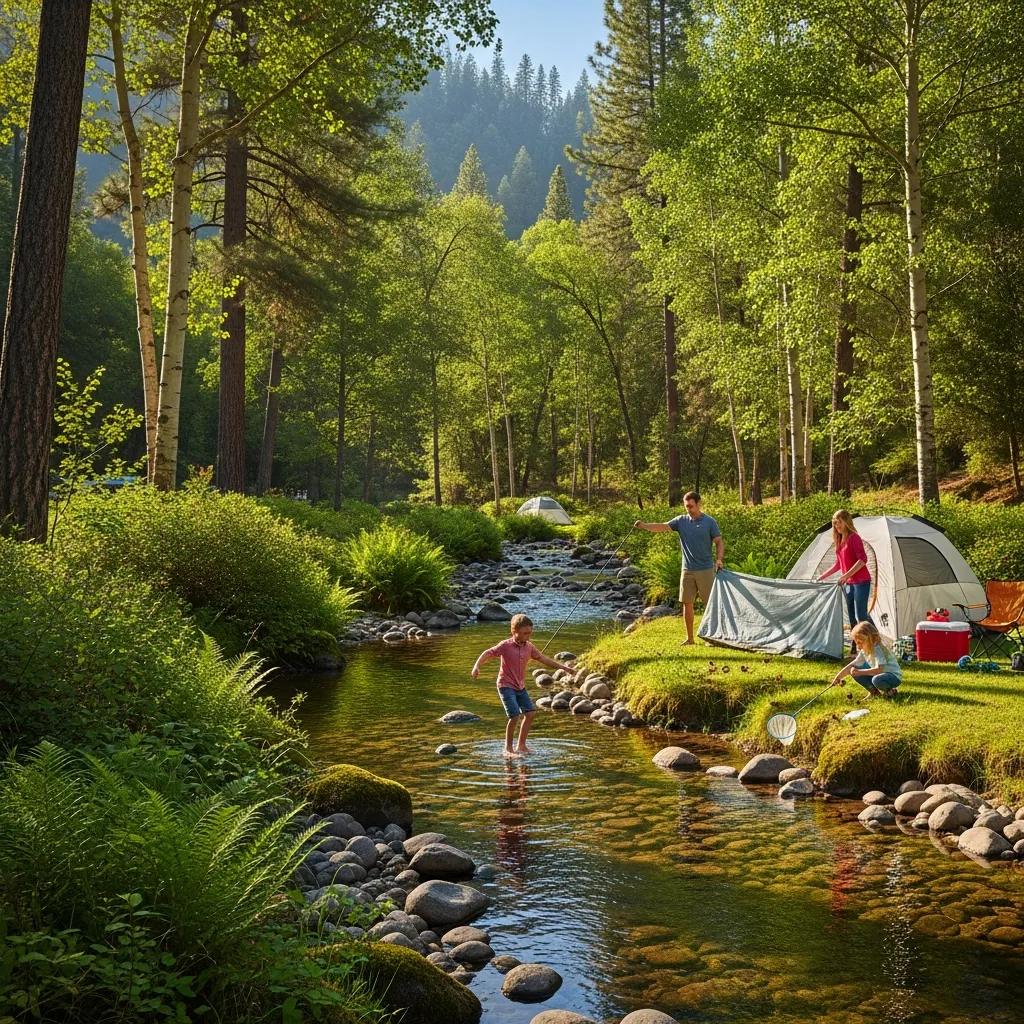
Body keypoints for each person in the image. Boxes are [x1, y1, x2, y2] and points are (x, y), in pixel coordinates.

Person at [471, 614, 572, 756]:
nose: (528, 636)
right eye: (525, 633)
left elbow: (543, 658)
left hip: (520, 686)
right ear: (514, 631)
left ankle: (521, 746)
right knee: (514, 716)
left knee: (530, 714)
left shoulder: (529, 647)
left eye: (530, 633)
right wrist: (476, 666)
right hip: (506, 685)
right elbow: (488, 653)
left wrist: (563, 667)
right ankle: (508, 749)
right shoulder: (505, 646)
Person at [634, 490, 724, 646]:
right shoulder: (681, 521)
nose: (688, 509)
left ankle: (713, 637)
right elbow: (662, 527)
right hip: (687, 570)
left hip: (705, 569)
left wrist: (719, 560)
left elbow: (719, 542)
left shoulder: (710, 522)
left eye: (691, 506)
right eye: (686, 506)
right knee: (687, 603)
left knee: (710, 604)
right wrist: (644, 526)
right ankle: (690, 639)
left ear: (699, 504)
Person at [818, 510, 872, 651]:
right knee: (852, 617)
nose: (837, 526)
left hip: (861, 581)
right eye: (835, 524)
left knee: (861, 615)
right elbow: (838, 564)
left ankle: (871, 644)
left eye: (839, 523)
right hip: (849, 584)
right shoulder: (839, 540)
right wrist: (822, 576)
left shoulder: (854, 538)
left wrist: (846, 575)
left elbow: (862, 560)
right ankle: (856, 645)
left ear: (847, 522)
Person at [830, 621, 902, 699]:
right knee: (853, 669)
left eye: (860, 642)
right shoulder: (864, 650)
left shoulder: (878, 649)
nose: (858, 647)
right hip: (879, 675)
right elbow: (852, 664)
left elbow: (879, 670)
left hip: (893, 677)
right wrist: (838, 677)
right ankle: (874, 692)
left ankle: (890, 691)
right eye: (856, 643)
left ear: (872, 639)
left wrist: (860, 672)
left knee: (876, 679)